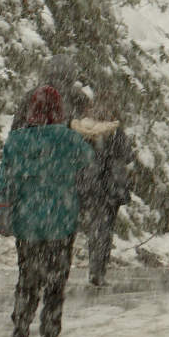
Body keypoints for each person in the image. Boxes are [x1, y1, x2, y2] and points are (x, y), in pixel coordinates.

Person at [0, 86, 95, 337]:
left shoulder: (16, 141)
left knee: (27, 281)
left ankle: (20, 332)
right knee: (54, 286)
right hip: (61, 224)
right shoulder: (69, 140)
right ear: (59, 111)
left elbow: (6, 182)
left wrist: (3, 213)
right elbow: (90, 167)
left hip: (27, 224)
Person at [73, 109, 133, 288]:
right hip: (109, 190)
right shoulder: (116, 133)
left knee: (93, 229)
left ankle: (92, 268)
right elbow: (128, 157)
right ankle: (99, 271)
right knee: (104, 231)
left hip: (89, 187)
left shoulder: (81, 131)